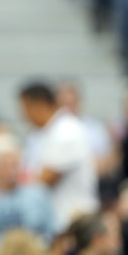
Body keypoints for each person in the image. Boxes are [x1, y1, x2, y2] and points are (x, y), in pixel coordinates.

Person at [19, 82, 99, 233]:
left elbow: (43, 181)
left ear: (40, 105)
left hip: (74, 222)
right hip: (55, 221)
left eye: (25, 108)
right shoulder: (40, 134)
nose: (23, 115)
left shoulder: (67, 131)